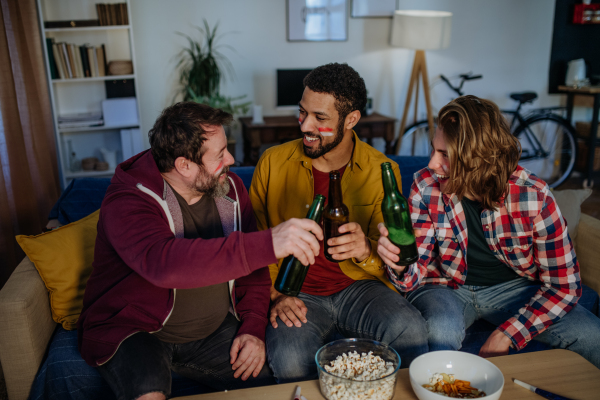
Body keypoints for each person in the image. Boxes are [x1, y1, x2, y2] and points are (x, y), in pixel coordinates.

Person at [77, 102, 325, 400]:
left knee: (284, 387)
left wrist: (252, 327)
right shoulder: (127, 200)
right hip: (136, 332)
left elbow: (252, 273)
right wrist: (269, 243)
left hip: (212, 333)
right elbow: (165, 263)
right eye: (220, 155)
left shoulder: (230, 190)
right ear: (184, 165)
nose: (232, 159)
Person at [377, 95, 600, 368]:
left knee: (592, 336)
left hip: (516, 288)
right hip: (446, 287)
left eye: (445, 155)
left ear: (477, 157)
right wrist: (399, 263)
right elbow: (411, 279)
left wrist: (509, 333)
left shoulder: (534, 196)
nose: (433, 164)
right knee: (440, 331)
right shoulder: (424, 186)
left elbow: (565, 286)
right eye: (434, 150)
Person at [249, 63, 428, 383]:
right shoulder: (272, 163)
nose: (305, 126)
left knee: (411, 330)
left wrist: (365, 250)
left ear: (351, 119)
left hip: (360, 287)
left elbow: (391, 261)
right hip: (296, 293)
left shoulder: (380, 169)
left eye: (320, 118)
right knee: (289, 360)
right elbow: (253, 239)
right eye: (302, 113)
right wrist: (277, 295)